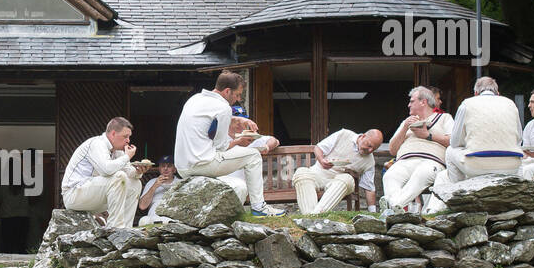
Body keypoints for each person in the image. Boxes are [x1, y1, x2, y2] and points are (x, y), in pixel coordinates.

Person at [174, 71, 283, 216]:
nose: (238, 99)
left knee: (238, 182)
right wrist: (239, 142)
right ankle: (259, 207)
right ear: (227, 91)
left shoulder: (195, 99)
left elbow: (208, 116)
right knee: (254, 156)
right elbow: (221, 147)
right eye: (237, 95)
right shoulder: (223, 107)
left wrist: (238, 119)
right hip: (202, 164)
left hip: (182, 167)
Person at [426, 76, 524, 213]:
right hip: (511, 165)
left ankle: (459, 199)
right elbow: (519, 139)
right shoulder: (510, 104)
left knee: (450, 151)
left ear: (476, 93)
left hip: (478, 164)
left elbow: (455, 142)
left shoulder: (467, 104)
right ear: (498, 93)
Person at [381, 86, 452, 213]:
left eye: (412, 101)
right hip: (404, 161)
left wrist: (428, 135)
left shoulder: (444, 118)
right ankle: (396, 207)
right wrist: (404, 128)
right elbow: (393, 150)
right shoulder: (406, 122)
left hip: (431, 161)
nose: (408, 105)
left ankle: (392, 206)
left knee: (422, 173)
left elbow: (453, 141)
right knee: (390, 176)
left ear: (423, 102)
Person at [61, 117, 142, 228]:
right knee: (119, 177)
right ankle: (115, 229)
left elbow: (129, 172)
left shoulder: (118, 150)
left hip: (93, 196)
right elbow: (106, 170)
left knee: (135, 183)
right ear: (113, 134)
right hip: (73, 195)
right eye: (125, 136)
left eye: (129, 137)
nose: (128, 140)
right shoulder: (97, 143)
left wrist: (138, 171)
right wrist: (127, 156)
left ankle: (126, 230)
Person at [292, 129, 383, 214]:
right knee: (301, 172)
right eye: (369, 145)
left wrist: (373, 212)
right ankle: (312, 217)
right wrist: (321, 160)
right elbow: (318, 148)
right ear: (363, 136)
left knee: (347, 179)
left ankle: (312, 217)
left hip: (339, 182)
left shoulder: (370, 162)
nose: (370, 150)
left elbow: (369, 188)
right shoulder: (344, 134)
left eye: (373, 149)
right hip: (318, 174)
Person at [137, 156, 178, 224]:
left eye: (169, 166)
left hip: (172, 217)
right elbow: (142, 206)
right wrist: (155, 186)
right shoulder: (151, 182)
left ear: (174, 169)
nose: (165, 168)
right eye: (163, 166)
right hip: (153, 218)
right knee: (143, 220)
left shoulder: (180, 182)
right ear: (159, 169)